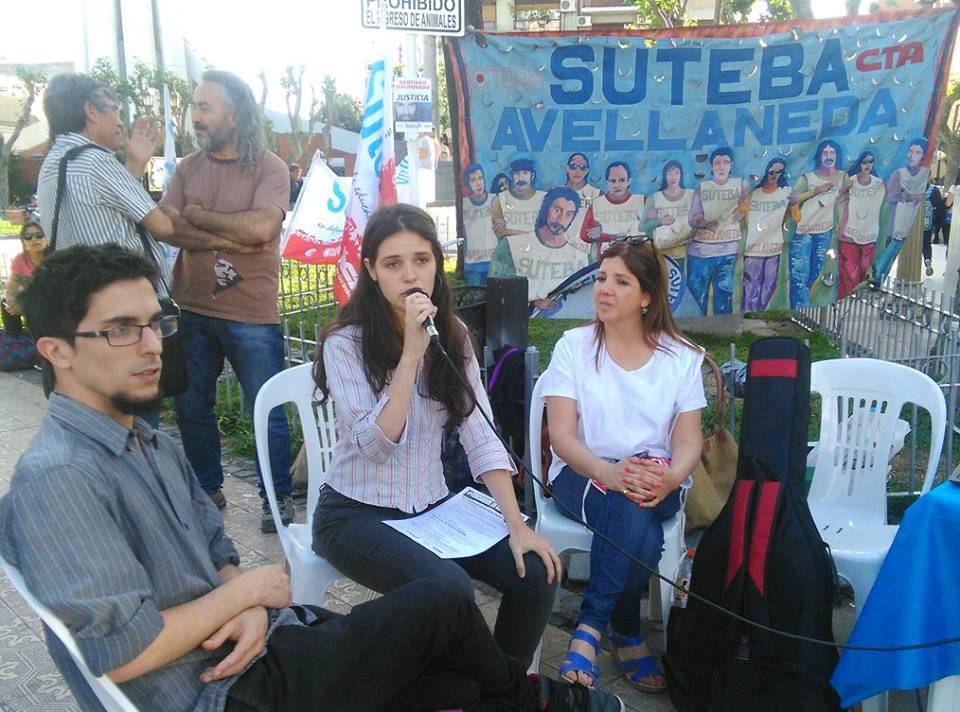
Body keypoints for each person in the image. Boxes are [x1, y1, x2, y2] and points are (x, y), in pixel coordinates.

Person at [0, 242, 623, 712]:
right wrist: (247, 596)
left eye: (155, 323)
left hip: (266, 645)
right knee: (443, 605)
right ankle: (541, 700)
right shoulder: (60, 480)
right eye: (120, 330)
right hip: (223, 691)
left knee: (461, 672)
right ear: (56, 350)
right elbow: (122, 650)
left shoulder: (149, 443)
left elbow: (216, 550)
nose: (151, 345)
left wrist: (248, 605)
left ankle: (523, 697)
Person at [312, 204, 562, 669]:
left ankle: (496, 694)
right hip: (354, 514)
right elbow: (374, 445)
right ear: (371, 270)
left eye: (422, 260)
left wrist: (517, 524)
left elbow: (480, 434)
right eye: (393, 263)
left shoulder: (454, 335)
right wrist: (410, 356)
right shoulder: (344, 343)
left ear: (436, 266)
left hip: (431, 506)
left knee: (536, 571)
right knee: (450, 589)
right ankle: (503, 691)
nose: (410, 275)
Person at [541, 235, 705, 694]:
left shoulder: (682, 357)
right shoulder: (573, 347)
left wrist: (673, 476)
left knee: (635, 504)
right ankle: (620, 630)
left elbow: (688, 440)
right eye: (601, 278)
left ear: (647, 297)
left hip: (657, 478)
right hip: (582, 472)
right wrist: (607, 472)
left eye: (621, 281)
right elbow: (561, 437)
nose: (604, 289)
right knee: (639, 527)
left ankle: (591, 630)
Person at [159, 69, 294, 532]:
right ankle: (207, 490)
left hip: (251, 314)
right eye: (194, 107)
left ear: (234, 116)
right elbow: (167, 225)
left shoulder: (270, 168)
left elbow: (262, 228)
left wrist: (197, 216)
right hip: (193, 308)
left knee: (266, 409)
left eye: (204, 107)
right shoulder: (187, 168)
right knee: (191, 406)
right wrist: (230, 236)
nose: (195, 117)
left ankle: (276, 500)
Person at [36, 73, 174, 289]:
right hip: (125, 294)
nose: (119, 122)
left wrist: (135, 163)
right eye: (114, 110)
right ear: (91, 111)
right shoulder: (96, 160)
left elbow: (107, 211)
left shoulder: (53, 162)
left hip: (84, 294)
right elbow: (163, 227)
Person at [489, 187, 589, 311]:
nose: (561, 219)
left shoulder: (580, 257)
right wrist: (533, 300)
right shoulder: (510, 247)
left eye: (568, 214)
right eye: (557, 210)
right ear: (546, 209)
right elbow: (495, 290)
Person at [687, 147, 750, 315]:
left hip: (727, 251)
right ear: (711, 166)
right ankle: (693, 328)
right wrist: (704, 223)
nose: (721, 166)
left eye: (725, 162)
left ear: (731, 165)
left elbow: (748, 206)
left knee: (724, 297)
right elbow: (692, 219)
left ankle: (721, 327)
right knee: (696, 299)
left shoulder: (741, 184)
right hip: (701, 252)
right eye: (717, 163)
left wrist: (741, 212)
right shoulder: (703, 187)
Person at [789, 139, 848, 307]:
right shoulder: (808, 178)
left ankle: (802, 305)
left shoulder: (842, 177)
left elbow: (845, 195)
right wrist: (816, 191)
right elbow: (792, 199)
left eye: (832, 153)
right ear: (819, 156)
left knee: (815, 273)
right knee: (799, 276)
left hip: (824, 232)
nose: (828, 156)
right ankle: (800, 307)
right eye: (825, 153)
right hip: (804, 232)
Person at [871, 138, 930, 288]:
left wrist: (914, 197)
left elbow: (921, 195)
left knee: (896, 247)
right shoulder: (899, 173)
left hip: (909, 218)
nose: (912, 155)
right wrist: (902, 196)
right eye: (910, 151)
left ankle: (878, 277)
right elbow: (889, 195)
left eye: (917, 152)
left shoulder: (924, 173)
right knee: (893, 244)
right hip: (895, 218)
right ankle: (876, 274)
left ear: (923, 155)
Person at [742, 158, 794, 312]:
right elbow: (741, 214)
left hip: (774, 248)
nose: (774, 175)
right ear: (766, 171)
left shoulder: (786, 192)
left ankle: (759, 310)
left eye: (779, 172)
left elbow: (795, 216)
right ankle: (749, 312)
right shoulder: (754, 193)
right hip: (753, 249)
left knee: (770, 285)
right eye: (772, 171)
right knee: (751, 285)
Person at [579, 162, 650, 264]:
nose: (617, 185)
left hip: (637, 260)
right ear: (606, 182)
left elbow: (656, 229)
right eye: (613, 181)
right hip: (608, 261)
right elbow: (584, 235)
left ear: (629, 181)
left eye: (622, 180)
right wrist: (610, 237)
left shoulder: (642, 201)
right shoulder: (597, 204)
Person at [837, 150, 885, 299]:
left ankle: (854, 299)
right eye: (864, 162)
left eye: (871, 161)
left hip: (869, 234)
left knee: (864, 268)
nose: (867, 165)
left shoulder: (879, 184)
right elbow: (836, 200)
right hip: (848, 235)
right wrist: (844, 189)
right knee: (849, 272)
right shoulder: (850, 181)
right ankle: (845, 300)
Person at [646, 160, 694, 272]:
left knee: (680, 278)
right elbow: (645, 226)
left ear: (681, 175)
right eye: (670, 173)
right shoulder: (656, 198)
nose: (673, 177)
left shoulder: (690, 195)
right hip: (661, 252)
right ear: (665, 176)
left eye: (677, 173)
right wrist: (657, 220)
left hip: (682, 251)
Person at [2, 221, 48, 333]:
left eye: (39, 235)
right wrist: (13, 303)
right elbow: (11, 289)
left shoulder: (56, 257)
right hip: (30, 301)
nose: (34, 239)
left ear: (46, 238)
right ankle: (14, 338)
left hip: (51, 303)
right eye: (28, 236)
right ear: (23, 242)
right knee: (5, 304)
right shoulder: (20, 260)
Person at [461, 163, 498, 286]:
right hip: (472, 264)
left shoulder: (494, 200)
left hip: (493, 262)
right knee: (475, 296)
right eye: (473, 180)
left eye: (480, 178)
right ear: (468, 184)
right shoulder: (464, 205)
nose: (478, 183)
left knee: (494, 296)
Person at [492, 158, 546, 238]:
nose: (521, 178)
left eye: (525, 173)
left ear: (532, 176)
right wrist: (530, 235)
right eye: (517, 173)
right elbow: (499, 232)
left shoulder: (544, 198)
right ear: (512, 176)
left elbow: (547, 233)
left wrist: (508, 229)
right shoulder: (499, 200)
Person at [563, 153, 601, 255]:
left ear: (587, 171)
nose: (577, 171)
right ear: (567, 169)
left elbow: (606, 223)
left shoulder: (597, 195)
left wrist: (600, 229)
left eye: (582, 167)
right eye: (573, 166)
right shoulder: (555, 193)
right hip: (560, 250)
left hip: (586, 251)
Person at [922, 180, 942, 277]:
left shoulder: (911, 187)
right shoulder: (934, 190)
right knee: (926, 243)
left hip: (911, 223)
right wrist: (937, 226)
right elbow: (939, 208)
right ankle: (927, 259)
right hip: (927, 222)